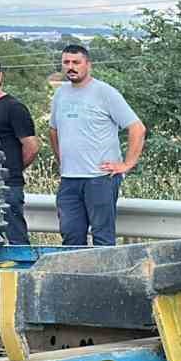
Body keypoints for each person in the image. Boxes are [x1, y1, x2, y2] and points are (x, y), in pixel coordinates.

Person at [48, 44, 144, 246]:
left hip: (100, 178)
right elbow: (54, 130)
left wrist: (127, 164)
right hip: (69, 179)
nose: (71, 67)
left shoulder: (104, 92)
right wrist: (62, 161)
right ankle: (75, 277)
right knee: (71, 236)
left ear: (88, 64)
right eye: (66, 62)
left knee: (102, 237)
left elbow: (137, 128)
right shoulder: (60, 94)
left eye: (76, 62)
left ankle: (103, 278)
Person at [0, 55, 39, 245]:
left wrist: (9, 170)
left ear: (0, 77)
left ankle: (23, 273)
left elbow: (31, 147)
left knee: (15, 236)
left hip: (7, 186)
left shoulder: (13, 107)